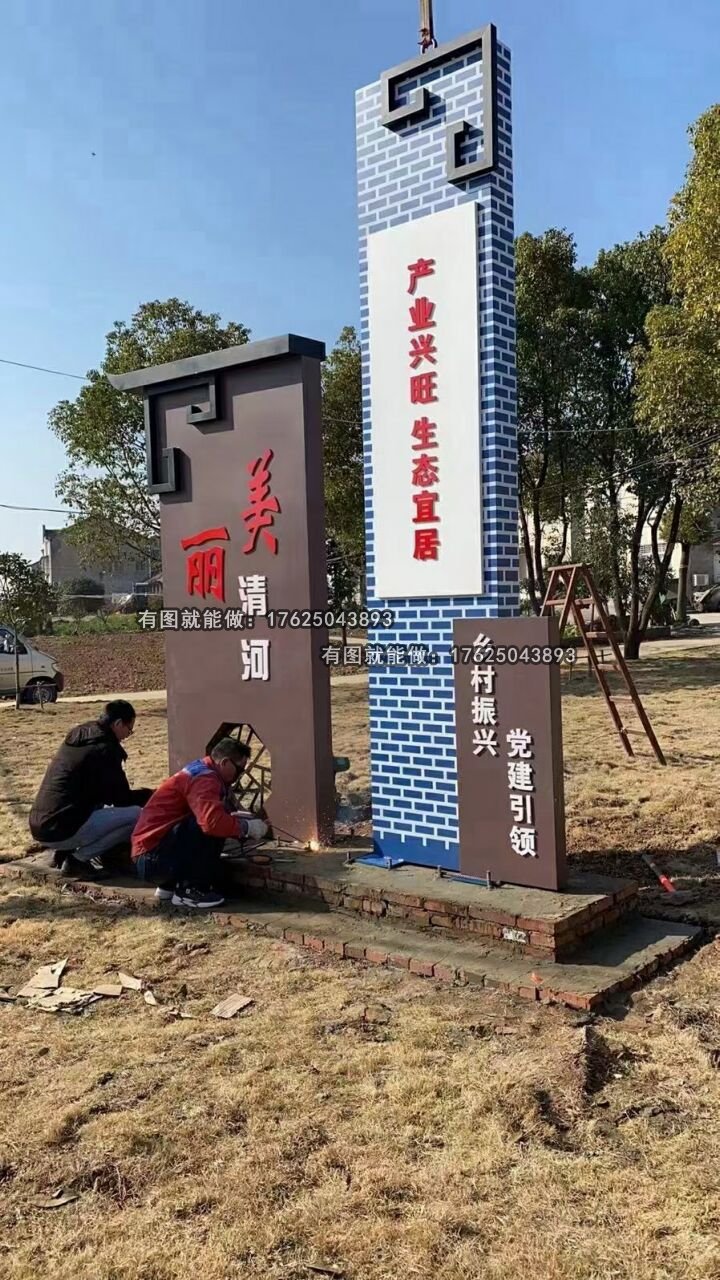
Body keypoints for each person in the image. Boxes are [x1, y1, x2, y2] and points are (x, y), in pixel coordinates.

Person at [131, 737, 267, 909]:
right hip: (154, 860)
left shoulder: (200, 770)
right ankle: (190, 890)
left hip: (150, 855)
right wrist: (246, 828)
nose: (238, 775)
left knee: (212, 819)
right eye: (239, 769)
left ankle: (169, 886)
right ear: (225, 762)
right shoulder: (205, 779)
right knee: (210, 823)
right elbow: (211, 823)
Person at [29, 699, 153, 873]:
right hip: (62, 829)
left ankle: (63, 852)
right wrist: (151, 795)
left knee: (94, 803)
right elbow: (122, 799)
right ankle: (78, 860)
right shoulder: (105, 750)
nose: (128, 735)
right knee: (137, 815)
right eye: (129, 729)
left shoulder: (80, 736)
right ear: (118, 723)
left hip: (40, 824)